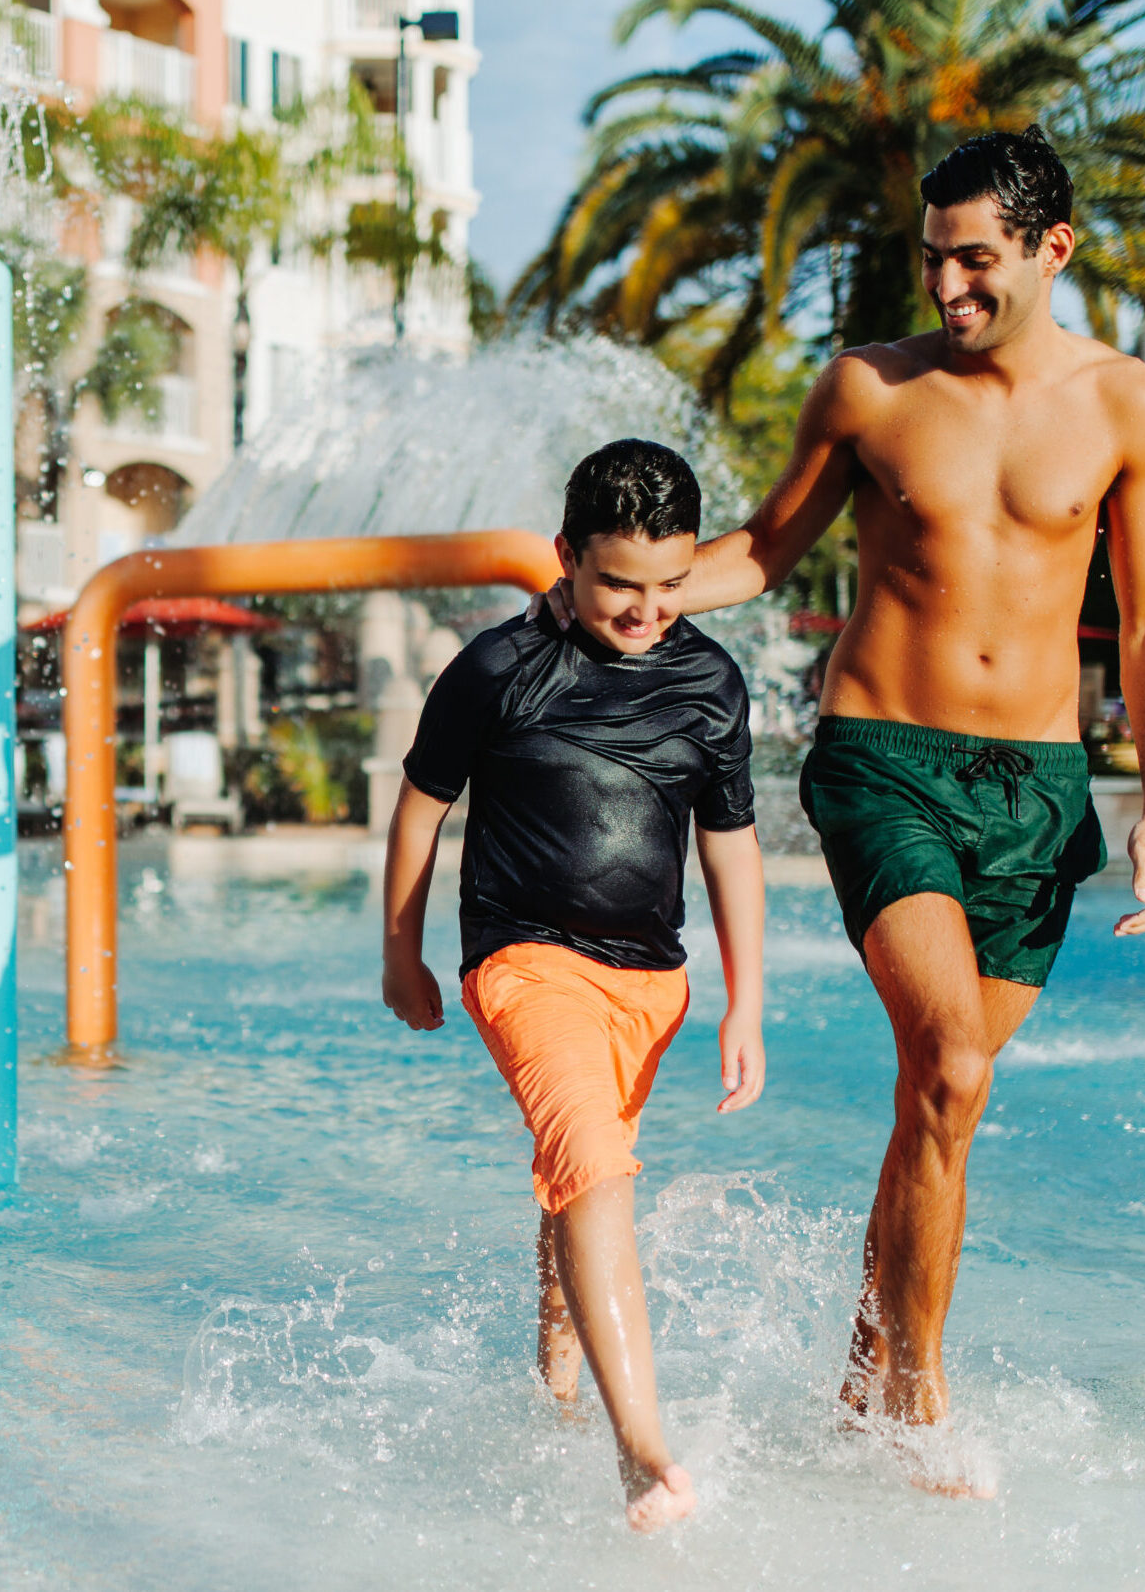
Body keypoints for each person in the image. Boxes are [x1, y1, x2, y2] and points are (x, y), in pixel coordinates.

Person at [543, 127, 1145, 1484]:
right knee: (949, 1064)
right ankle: (923, 1403)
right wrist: (622, 592)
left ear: (1048, 250)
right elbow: (766, 551)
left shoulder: (1130, 405)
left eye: (975, 261)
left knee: (934, 1105)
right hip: (880, 755)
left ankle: (859, 1371)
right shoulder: (869, 392)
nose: (947, 288)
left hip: (1039, 787)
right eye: (931, 257)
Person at [382, 440, 767, 1533]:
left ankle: (557, 1368)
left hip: (651, 983)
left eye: (669, 585)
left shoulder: (708, 681)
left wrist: (746, 997)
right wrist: (399, 949)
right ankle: (640, 1445)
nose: (646, 611)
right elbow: (421, 806)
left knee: (576, 1169)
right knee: (595, 1162)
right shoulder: (499, 667)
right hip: (523, 957)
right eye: (617, 586)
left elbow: (729, 842)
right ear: (564, 557)